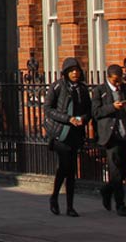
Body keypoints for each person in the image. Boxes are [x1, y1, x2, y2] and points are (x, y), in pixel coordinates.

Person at [44, 57, 91, 216]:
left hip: (75, 134)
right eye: (71, 71)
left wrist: (82, 119)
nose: (74, 73)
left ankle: (69, 206)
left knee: (71, 171)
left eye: (76, 70)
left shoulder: (83, 89)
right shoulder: (57, 86)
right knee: (66, 167)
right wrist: (67, 119)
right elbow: (48, 109)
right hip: (60, 134)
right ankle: (55, 197)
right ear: (65, 73)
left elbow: (88, 111)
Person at [93, 63, 126, 217]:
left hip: (124, 133)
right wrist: (112, 107)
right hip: (110, 136)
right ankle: (120, 204)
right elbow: (96, 112)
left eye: (120, 80)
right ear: (109, 78)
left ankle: (107, 190)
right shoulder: (99, 91)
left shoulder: (124, 89)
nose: (118, 84)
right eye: (115, 81)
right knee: (116, 171)